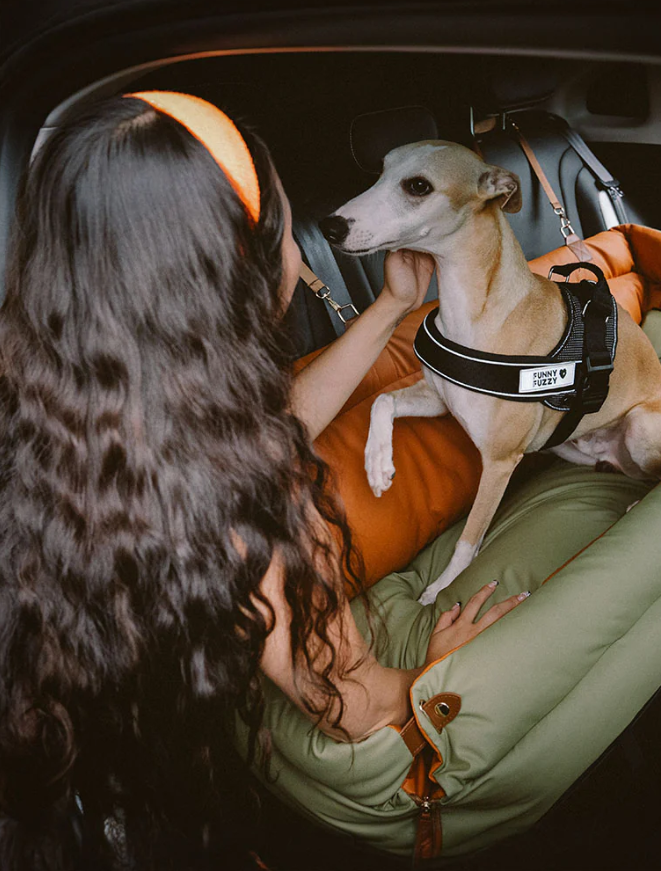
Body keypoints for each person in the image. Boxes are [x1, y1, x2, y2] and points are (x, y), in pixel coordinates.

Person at [0, 92, 525, 870]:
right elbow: (347, 707)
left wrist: (388, 308)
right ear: (235, 270)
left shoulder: (55, 408)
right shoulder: (239, 517)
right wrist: (433, 665)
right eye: (284, 231)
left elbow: (259, 431)